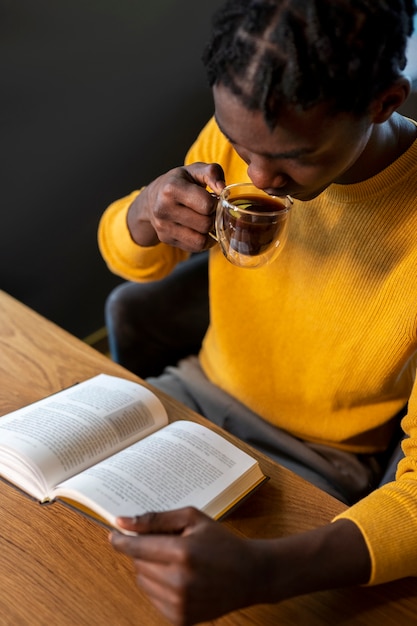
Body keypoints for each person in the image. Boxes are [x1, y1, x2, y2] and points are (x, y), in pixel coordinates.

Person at [98, 0, 417, 623]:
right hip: (188, 398)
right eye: (243, 147)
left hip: (317, 463)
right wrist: (144, 211)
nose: (260, 178)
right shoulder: (241, 142)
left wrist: (265, 573)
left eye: (295, 157)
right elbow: (128, 259)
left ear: (383, 101)